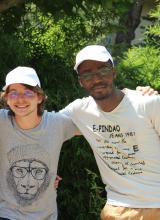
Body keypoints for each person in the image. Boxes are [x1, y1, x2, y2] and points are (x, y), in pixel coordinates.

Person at [61, 45, 160, 219]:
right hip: (117, 209)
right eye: (87, 74)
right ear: (80, 81)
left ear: (114, 72)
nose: (97, 79)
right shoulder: (79, 111)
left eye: (103, 70)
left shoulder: (147, 103)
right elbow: (44, 129)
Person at [0, 67, 78, 220]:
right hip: (6, 212)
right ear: (6, 98)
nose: (20, 99)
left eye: (28, 92)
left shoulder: (57, 123)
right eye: (13, 93)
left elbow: (94, 126)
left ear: (39, 97)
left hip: (46, 215)